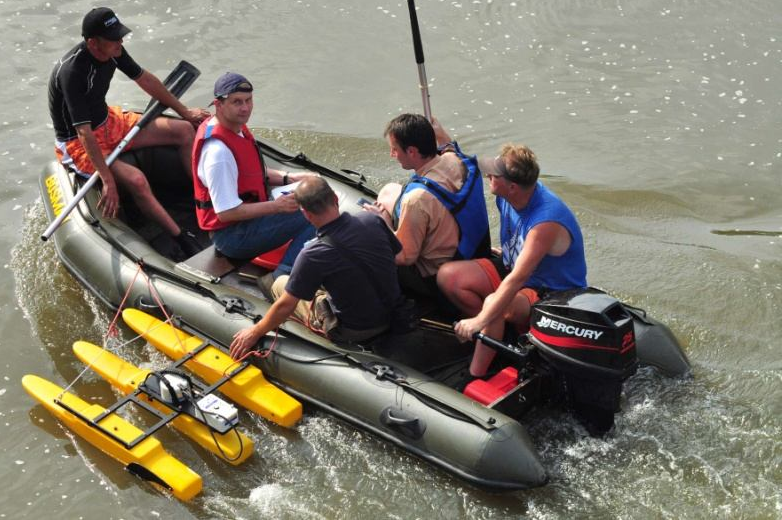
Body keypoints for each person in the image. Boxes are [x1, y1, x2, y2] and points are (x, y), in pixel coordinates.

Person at [48, 7, 209, 255]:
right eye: (113, 38)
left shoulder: (114, 51)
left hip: (109, 121)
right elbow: (83, 132)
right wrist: (107, 178)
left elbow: (145, 80)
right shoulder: (72, 73)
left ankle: (203, 202)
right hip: (78, 141)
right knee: (137, 180)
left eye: (120, 35)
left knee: (184, 131)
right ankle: (181, 237)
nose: (120, 42)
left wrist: (184, 111)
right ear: (93, 43)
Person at [442, 143, 588, 376]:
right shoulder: (506, 196)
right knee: (449, 277)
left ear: (512, 187)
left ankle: (477, 372)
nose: (488, 175)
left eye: (494, 174)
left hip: (550, 294)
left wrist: (479, 320)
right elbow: (468, 166)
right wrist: (444, 141)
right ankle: (497, 335)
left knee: (492, 305)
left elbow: (519, 278)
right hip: (518, 273)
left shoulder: (545, 221)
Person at [229, 176, 403, 359]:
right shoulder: (372, 221)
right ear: (335, 199)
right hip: (394, 311)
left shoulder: (312, 255)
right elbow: (397, 255)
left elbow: (285, 306)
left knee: (279, 283)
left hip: (354, 330)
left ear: (306, 213)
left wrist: (255, 332)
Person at [191, 72, 315, 275]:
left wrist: (289, 178)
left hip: (245, 222)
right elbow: (226, 213)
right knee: (313, 212)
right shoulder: (218, 153)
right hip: (232, 236)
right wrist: (277, 207)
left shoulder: (235, 128)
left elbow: (249, 172)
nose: (245, 108)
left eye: (248, 100)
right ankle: (282, 277)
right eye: (237, 102)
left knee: (312, 199)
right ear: (219, 104)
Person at [361, 113, 490, 299]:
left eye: (395, 149)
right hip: (469, 249)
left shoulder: (416, 199)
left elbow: (405, 257)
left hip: (433, 277)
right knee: (390, 190)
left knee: (369, 240)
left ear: (412, 151)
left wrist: (384, 224)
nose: (392, 155)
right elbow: (448, 148)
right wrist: (439, 133)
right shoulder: (456, 161)